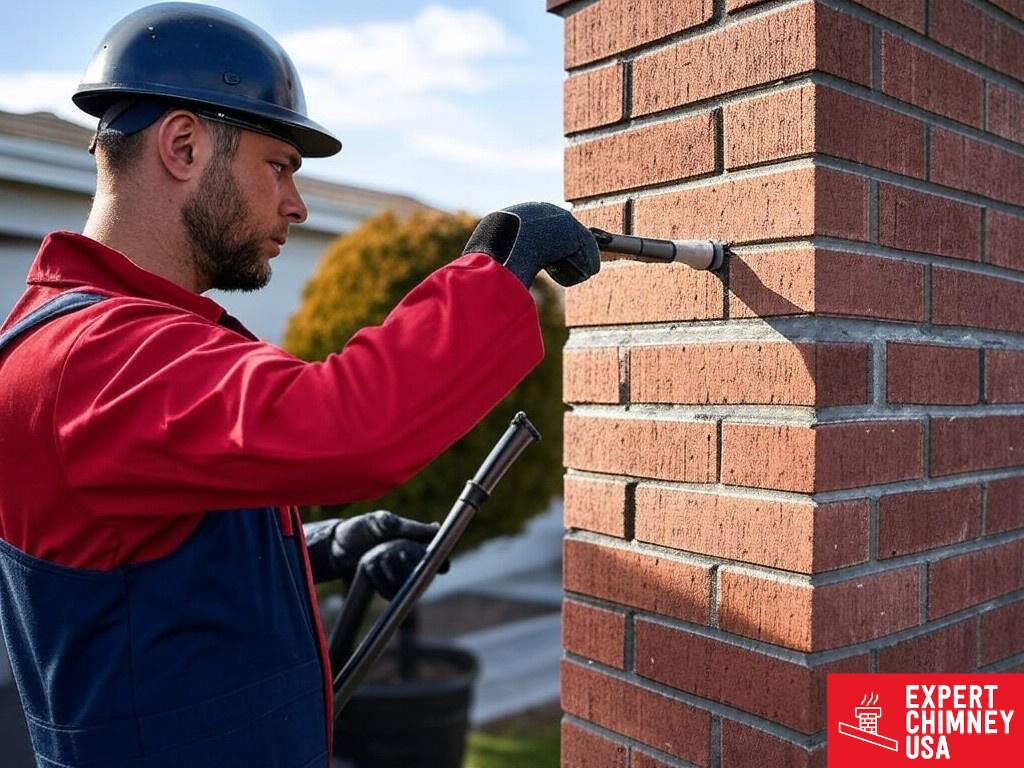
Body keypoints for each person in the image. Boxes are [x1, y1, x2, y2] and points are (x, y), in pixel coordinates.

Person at [0, 4, 600, 768]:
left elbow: (136, 566)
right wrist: (499, 271)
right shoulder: (97, 356)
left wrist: (319, 549)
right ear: (182, 145)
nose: (297, 202)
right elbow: (349, 426)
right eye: (278, 165)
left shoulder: (87, 335)